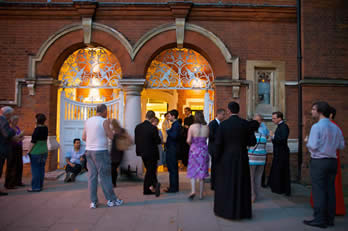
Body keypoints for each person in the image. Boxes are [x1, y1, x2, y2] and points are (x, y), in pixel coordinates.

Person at [303, 102, 345, 228]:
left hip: (320, 161)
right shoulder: (336, 127)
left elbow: (313, 145)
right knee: (330, 190)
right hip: (332, 161)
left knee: (319, 191)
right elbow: (341, 145)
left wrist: (308, 142)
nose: (312, 111)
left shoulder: (317, 127)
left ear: (320, 111)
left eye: (314, 109)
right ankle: (329, 219)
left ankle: (319, 219)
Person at [214, 102, 256, 220]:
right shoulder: (245, 124)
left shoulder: (223, 125)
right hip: (242, 157)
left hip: (226, 158)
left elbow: (218, 144)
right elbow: (252, 142)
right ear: (238, 110)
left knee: (227, 184)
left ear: (229, 110)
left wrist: (216, 158)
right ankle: (242, 211)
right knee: (241, 183)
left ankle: (227, 210)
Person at [82, 104, 123, 209]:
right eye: (107, 111)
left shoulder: (88, 121)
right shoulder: (103, 121)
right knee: (105, 176)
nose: (107, 113)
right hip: (100, 151)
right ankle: (111, 200)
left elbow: (83, 137)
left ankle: (93, 202)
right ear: (104, 111)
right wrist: (109, 126)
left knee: (92, 177)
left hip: (89, 151)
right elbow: (111, 136)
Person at [135, 111, 162, 197]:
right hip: (152, 152)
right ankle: (147, 189)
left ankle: (155, 184)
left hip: (142, 152)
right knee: (150, 170)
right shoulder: (153, 128)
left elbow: (136, 140)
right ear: (153, 118)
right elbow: (157, 141)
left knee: (150, 169)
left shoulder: (138, 127)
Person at [186, 111, 209, 200]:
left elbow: (188, 140)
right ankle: (201, 193)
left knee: (193, 170)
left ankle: (193, 191)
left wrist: (192, 145)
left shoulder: (192, 127)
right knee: (202, 171)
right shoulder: (207, 127)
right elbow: (207, 138)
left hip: (194, 150)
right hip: (203, 150)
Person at [268, 111, 291, 196]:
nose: (272, 120)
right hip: (279, 152)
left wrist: (273, 136)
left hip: (282, 153)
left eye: (274, 118)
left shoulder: (284, 126)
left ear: (279, 118)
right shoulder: (280, 126)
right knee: (279, 170)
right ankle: (278, 188)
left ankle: (282, 189)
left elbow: (282, 139)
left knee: (282, 170)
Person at [0, 106, 21, 196]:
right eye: (11, 114)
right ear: (7, 114)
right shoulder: (3, 120)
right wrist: (13, 131)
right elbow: (7, 133)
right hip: (2, 148)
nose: (11, 116)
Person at [27, 113, 48, 193]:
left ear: (37, 120)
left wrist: (28, 151)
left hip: (36, 151)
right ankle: (40, 185)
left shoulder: (37, 130)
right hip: (44, 150)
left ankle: (35, 187)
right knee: (41, 169)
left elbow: (33, 142)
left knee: (35, 170)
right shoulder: (45, 128)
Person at [248, 120, 267, 203]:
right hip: (262, 158)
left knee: (251, 178)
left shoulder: (250, 137)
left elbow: (248, 147)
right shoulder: (263, 136)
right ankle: (258, 194)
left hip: (252, 158)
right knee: (258, 177)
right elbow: (264, 147)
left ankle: (252, 195)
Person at [5, 115, 25, 189]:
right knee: (12, 165)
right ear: (12, 121)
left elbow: (19, 138)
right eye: (16, 120)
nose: (17, 122)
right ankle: (10, 183)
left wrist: (21, 137)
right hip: (12, 148)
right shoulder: (9, 129)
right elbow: (12, 139)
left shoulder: (17, 128)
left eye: (17, 120)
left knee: (19, 164)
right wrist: (20, 136)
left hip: (19, 147)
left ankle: (18, 181)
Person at [208, 108, 226, 190]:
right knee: (215, 166)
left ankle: (217, 183)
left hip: (218, 148)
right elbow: (211, 136)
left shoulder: (221, 124)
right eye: (223, 114)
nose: (224, 116)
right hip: (214, 148)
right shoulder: (212, 124)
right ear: (218, 114)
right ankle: (213, 184)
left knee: (218, 166)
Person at [164, 109, 181, 193]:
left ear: (173, 116)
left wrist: (168, 131)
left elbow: (174, 136)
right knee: (172, 169)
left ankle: (173, 188)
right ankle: (173, 187)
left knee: (173, 169)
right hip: (172, 149)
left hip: (172, 150)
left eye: (169, 115)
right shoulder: (175, 124)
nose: (168, 117)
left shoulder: (176, 124)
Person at [253, 113, 270, 187]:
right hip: (253, 152)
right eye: (257, 120)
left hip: (262, 151)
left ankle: (261, 183)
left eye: (260, 120)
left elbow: (267, 135)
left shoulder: (263, 126)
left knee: (261, 169)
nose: (259, 122)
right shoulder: (251, 126)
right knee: (253, 170)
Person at [110, 119, 125, 188]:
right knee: (114, 167)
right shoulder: (119, 131)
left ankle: (113, 182)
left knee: (113, 167)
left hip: (117, 152)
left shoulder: (120, 131)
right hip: (117, 151)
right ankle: (113, 182)